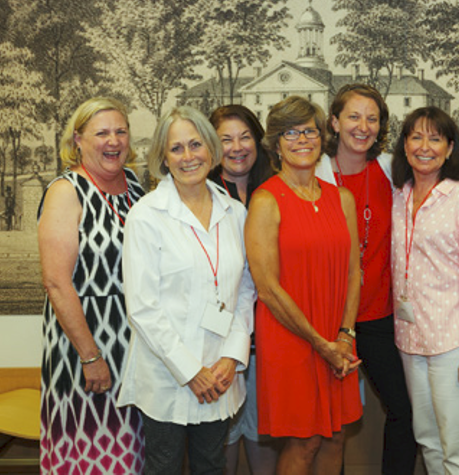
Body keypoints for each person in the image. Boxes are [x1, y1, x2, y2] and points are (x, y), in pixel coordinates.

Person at [118, 106, 255, 474]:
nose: (188, 156)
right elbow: (142, 307)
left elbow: (245, 290)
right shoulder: (146, 216)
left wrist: (231, 356)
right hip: (167, 374)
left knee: (212, 464)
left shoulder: (236, 214)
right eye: (175, 148)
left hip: (220, 370)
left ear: (211, 149)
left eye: (195, 144)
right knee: (163, 465)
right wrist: (191, 371)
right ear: (163, 157)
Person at [245, 96, 362, 475]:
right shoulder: (265, 201)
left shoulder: (340, 199)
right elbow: (268, 289)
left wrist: (344, 334)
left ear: (322, 136)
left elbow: (352, 273)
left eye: (309, 130)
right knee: (305, 440)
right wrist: (319, 342)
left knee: (336, 435)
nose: (302, 140)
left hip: (336, 336)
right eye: (289, 132)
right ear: (276, 143)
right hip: (292, 338)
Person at [391, 106, 459, 474]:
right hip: (412, 338)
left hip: (457, 342)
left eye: (435, 138)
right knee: (428, 440)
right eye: (416, 137)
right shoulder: (400, 196)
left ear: (450, 147)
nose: (425, 146)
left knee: (457, 446)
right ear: (404, 145)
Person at [37, 97, 145, 473]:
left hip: (133, 345)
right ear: (78, 139)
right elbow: (55, 282)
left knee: (131, 453)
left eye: (120, 131)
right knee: (90, 454)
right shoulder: (66, 191)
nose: (113, 140)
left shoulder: (134, 186)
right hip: (84, 344)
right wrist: (91, 356)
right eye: (101, 133)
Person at [314, 83, 418, 474]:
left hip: (377, 314)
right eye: (353, 116)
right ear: (335, 122)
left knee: (404, 412)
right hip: (330, 318)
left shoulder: (394, 171)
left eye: (372, 118)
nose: (363, 126)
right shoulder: (315, 175)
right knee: (330, 426)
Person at [207, 104, 280, 474]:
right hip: (221, 341)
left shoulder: (276, 191)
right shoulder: (201, 197)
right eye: (225, 139)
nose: (237, 147)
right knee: (225, 433)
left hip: (272, 334)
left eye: (245, 136)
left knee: (261, 428)